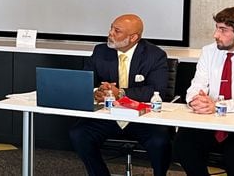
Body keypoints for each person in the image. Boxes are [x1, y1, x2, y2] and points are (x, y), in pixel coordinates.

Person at [172, 7, 234, 176]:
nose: (215, 34)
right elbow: (196, 85)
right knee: (183, 144)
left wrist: (217, 105)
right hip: (211, 119)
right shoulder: (209, 51)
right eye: (217, 28)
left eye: (223, 30)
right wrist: (195, 100)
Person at [69, 14, 172, 176]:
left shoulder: (155, 55)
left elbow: (156, 89)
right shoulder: (100, 51)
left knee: (160, 141)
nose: (110, 33)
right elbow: (85, 81)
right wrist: (98, 92)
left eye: (117, 31)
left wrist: (121, 93)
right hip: (108, 115)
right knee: (79, 134)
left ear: (133, 37)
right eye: (111, 28)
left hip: (141, 117)